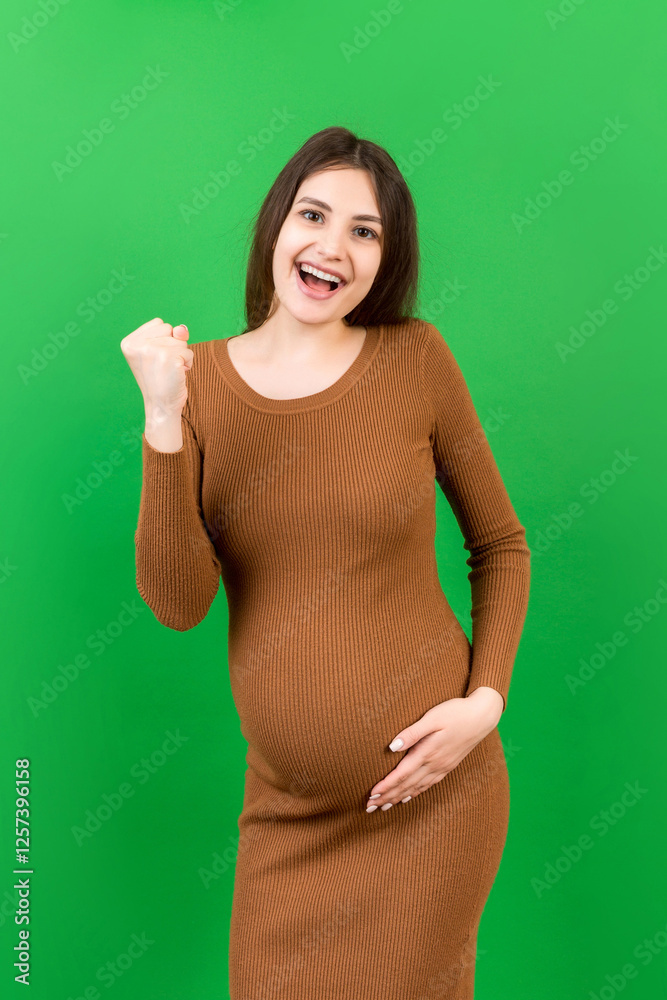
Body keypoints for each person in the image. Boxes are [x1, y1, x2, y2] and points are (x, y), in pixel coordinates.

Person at [120, 125, 531, 999]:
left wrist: (484, 704)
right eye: (313, 215)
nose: (332, 246)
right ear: (276, 225)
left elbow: (499, 544)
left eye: (364, 230)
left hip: (433, 804)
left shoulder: (414, 359)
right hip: (286, 818)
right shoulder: (196, 385)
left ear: (386, 258)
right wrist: (162, 418)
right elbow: (178, 602)